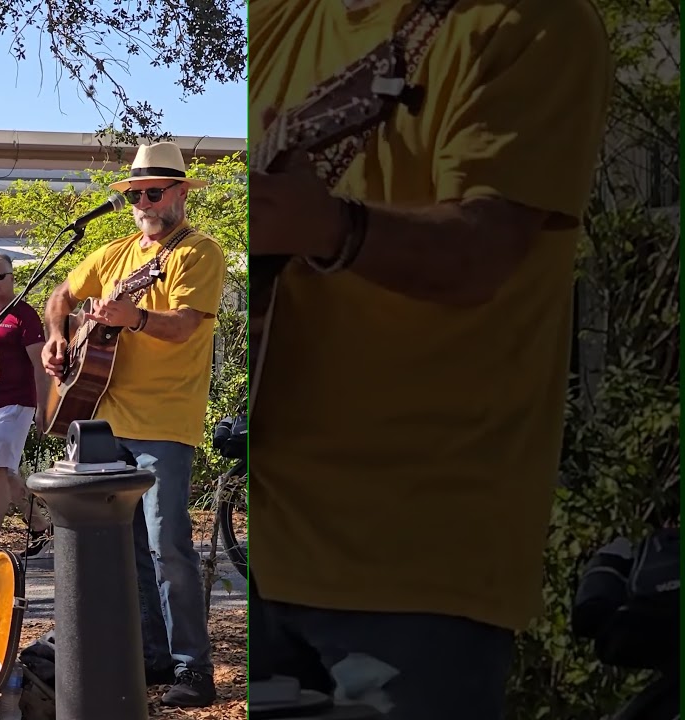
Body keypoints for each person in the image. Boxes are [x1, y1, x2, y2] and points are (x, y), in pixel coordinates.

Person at [246, 1, 613, 718]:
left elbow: (480, 253)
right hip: (259, 550)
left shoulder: (532, 24)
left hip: (414, 563)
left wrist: (330, 225)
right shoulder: (276, 19)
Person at [41, 141, 225, 708]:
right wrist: (56, 336)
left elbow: (185, 327)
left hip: (165, 421)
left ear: (178, 195)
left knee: (168, 545)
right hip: (101, 419)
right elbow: (60, 295)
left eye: (154, 192)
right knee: (127, 549)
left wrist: (137, 316)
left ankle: (194, 668)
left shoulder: (197, 253)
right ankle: (150, 656)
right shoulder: (113, 252)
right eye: (135, 193)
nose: (143, 202)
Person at [0, 252, 53, 560]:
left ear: (12, 278)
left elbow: (40, 365)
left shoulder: (24, 315)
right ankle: (41, 527)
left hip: (18, 404)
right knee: (4, 472)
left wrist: (43, 409)